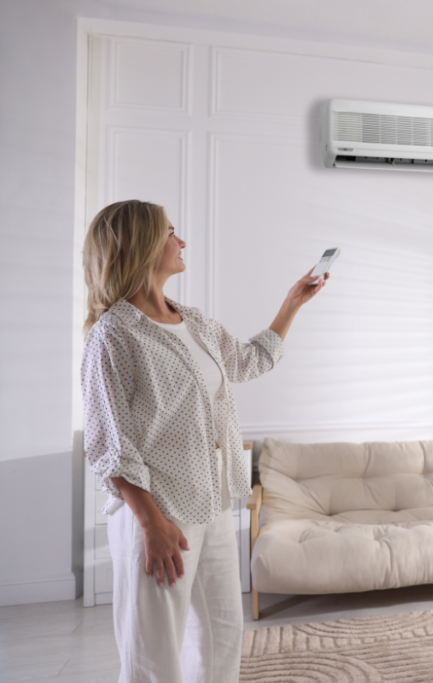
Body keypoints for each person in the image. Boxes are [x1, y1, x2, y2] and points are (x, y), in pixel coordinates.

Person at [80, 199, 328, 682]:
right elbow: (110, 443)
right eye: (171, 231)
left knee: (221, 634)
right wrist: (151, 523)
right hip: (158, 513)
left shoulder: (191, 321)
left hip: (213, 503)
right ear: (143, 243)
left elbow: (249, 360)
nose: (182, 240)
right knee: (154, 651)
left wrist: (292, 303)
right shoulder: (113, 336)